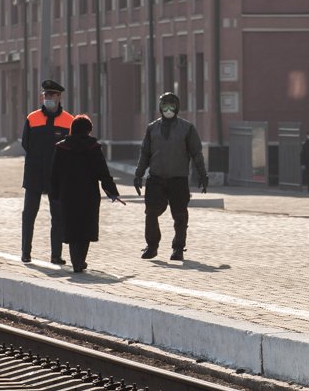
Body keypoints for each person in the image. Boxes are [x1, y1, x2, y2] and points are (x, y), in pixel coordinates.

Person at [133, 92, 209, 261]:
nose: (168, 110)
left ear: (177, 108)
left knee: (180, 215)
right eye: (164, 106)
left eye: (171, 106)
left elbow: (196, 153)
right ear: (160, 108)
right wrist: (138, 175)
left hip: (178, 179)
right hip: (156, 178)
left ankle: (178, 248)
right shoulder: (152, 128)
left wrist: (202, 175)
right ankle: (152, 246)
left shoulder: (187, 128)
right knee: (151, 212)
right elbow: (145, 153)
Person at [50, 114, 126, 273]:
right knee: (85, 226)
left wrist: (54, 194)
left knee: (71, 226)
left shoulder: (61, 148)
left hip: (68, 194)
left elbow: (55, 173)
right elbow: (103, 172)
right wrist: (112, 192)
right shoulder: (93, 147)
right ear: (88, 130)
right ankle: (81, 260)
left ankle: (75, 261)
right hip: (88, 194)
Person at [20, 79, 74, 265]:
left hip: (57, 176)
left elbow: (72, 148)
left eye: (52, 95)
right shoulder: (32, 118)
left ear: (59, 97)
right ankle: (26, 253)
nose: (48, 98)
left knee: (58, 216)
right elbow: (25, 144)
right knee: (29, 214)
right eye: (46, 95)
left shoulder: (68, 120)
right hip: (34, 174)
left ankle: (56, 256)